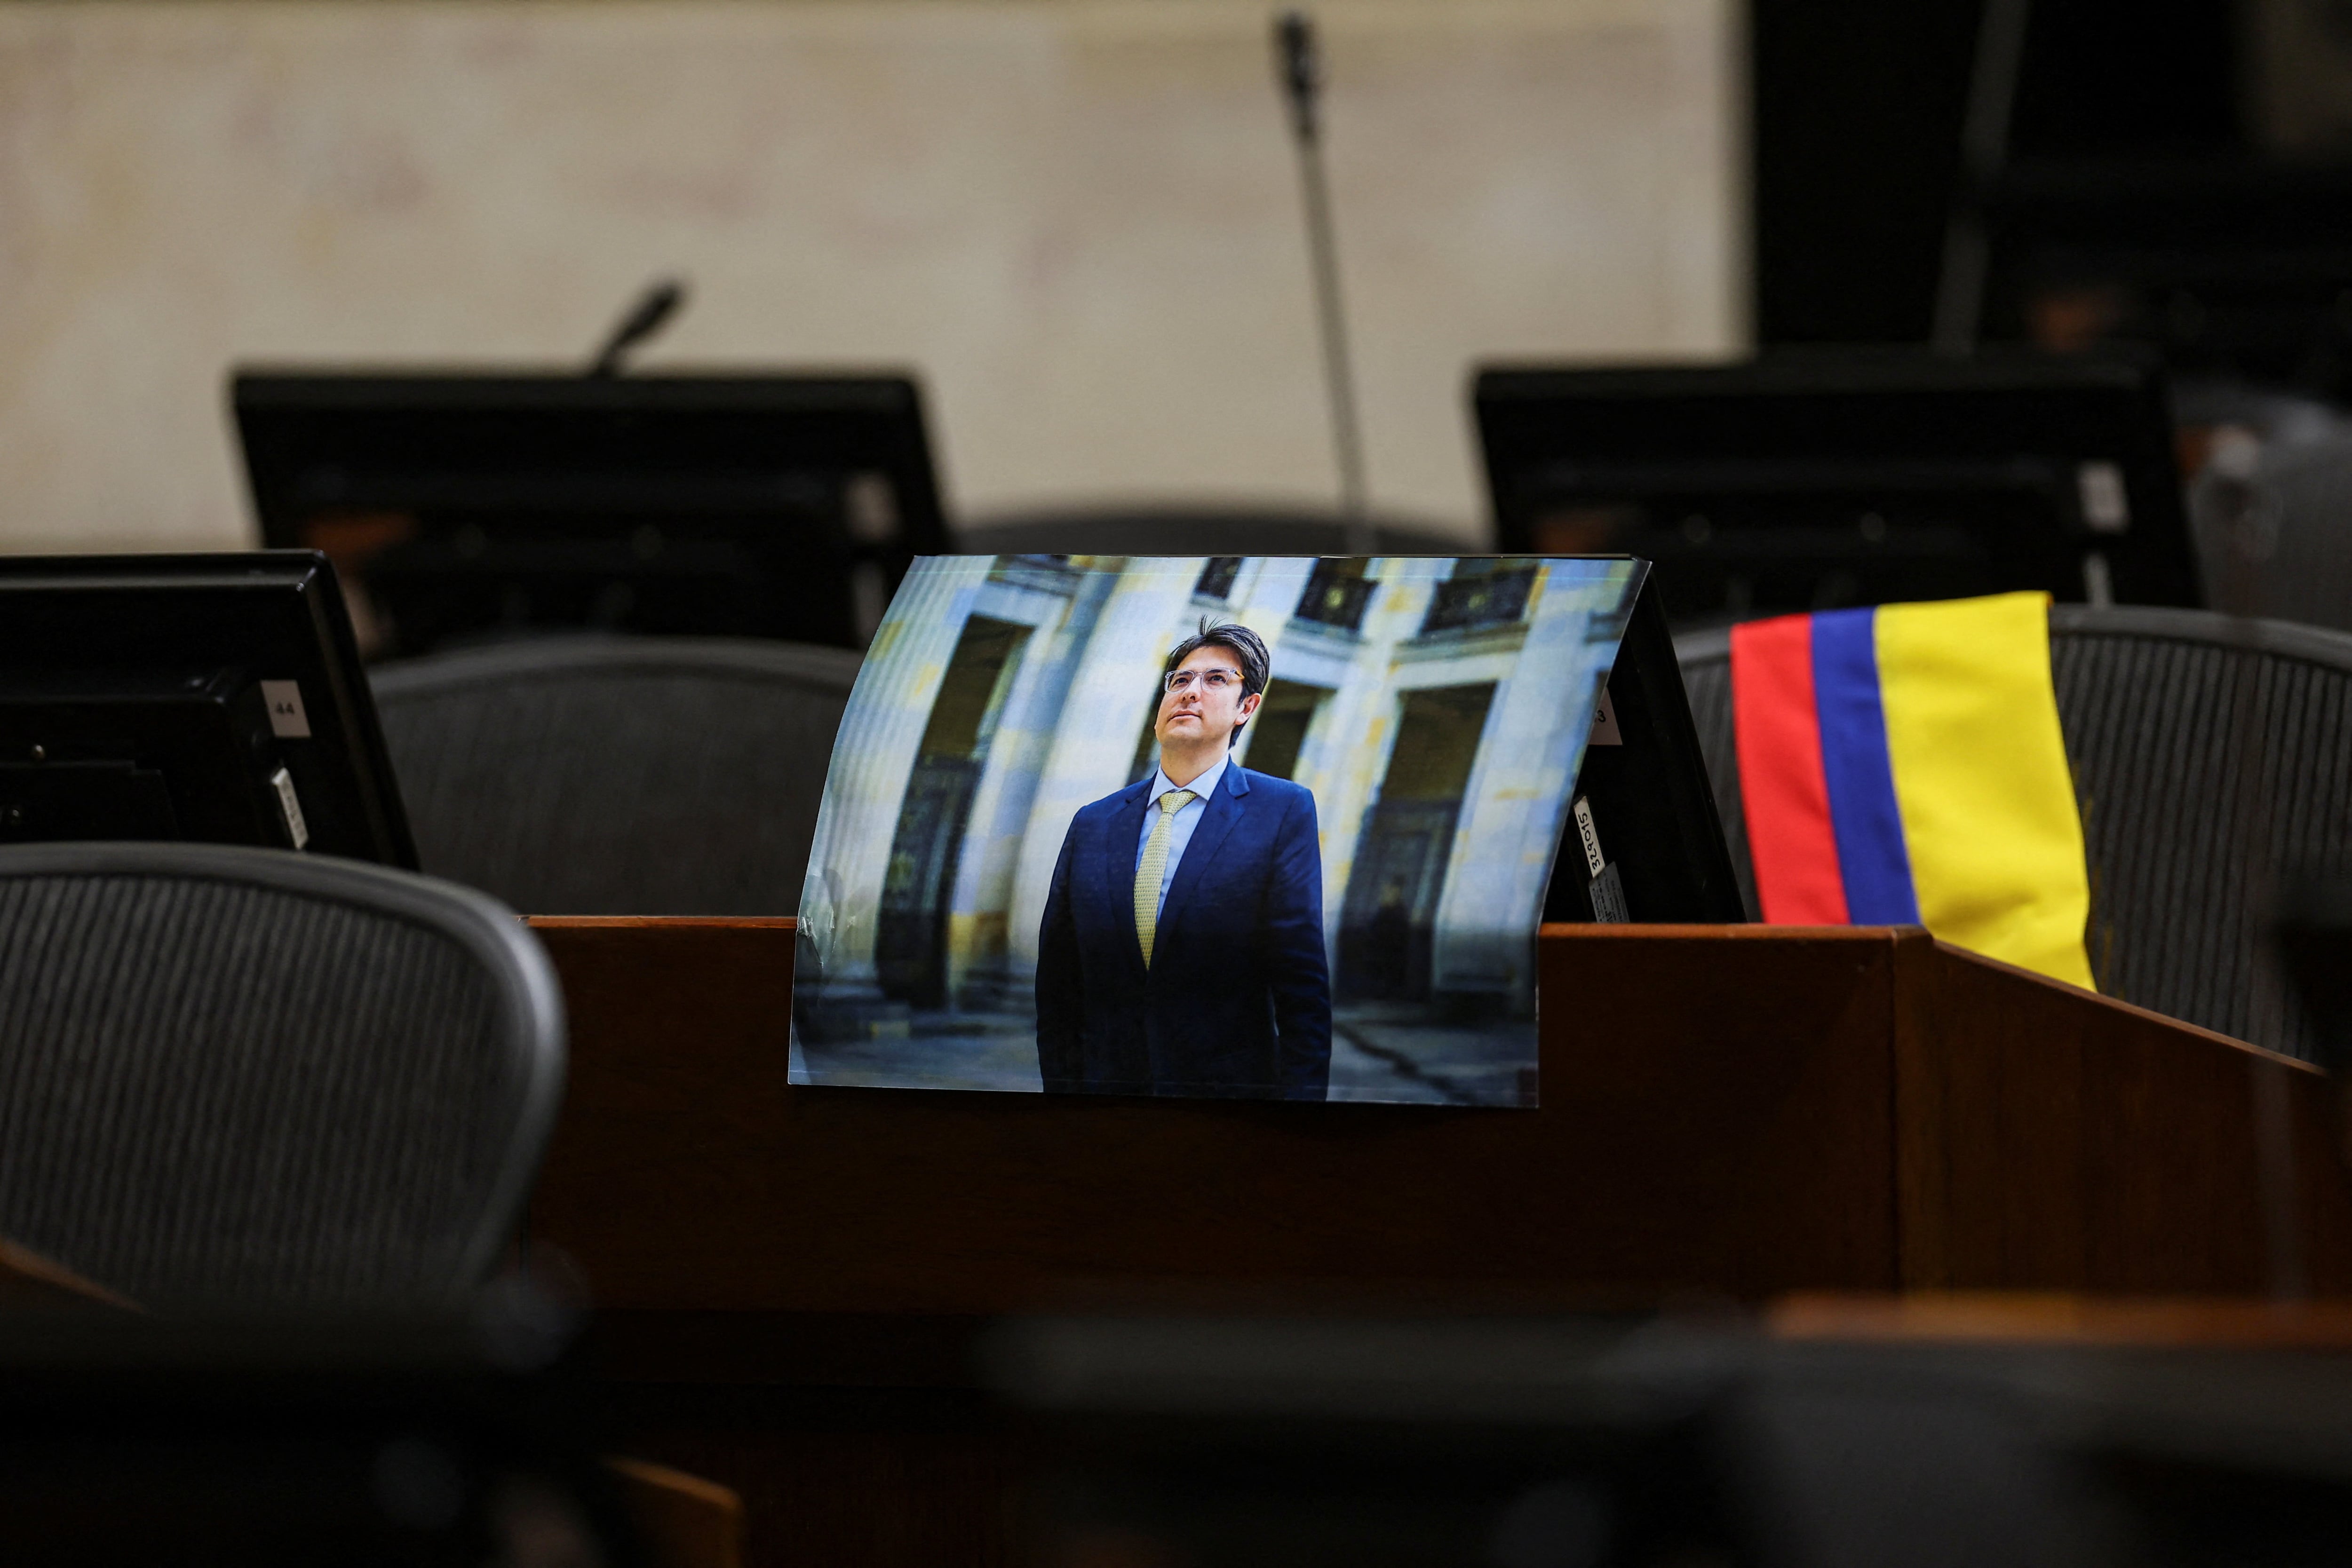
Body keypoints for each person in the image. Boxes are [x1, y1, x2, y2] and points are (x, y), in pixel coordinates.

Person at [1035, 619, 1332, 1099]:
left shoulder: (1281, 810)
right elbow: (1058, 985)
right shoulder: (1093, 822)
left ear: (1246, 707)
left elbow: (1302, 990)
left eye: (1216, 679)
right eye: (1180, 679)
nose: (1190, 691)